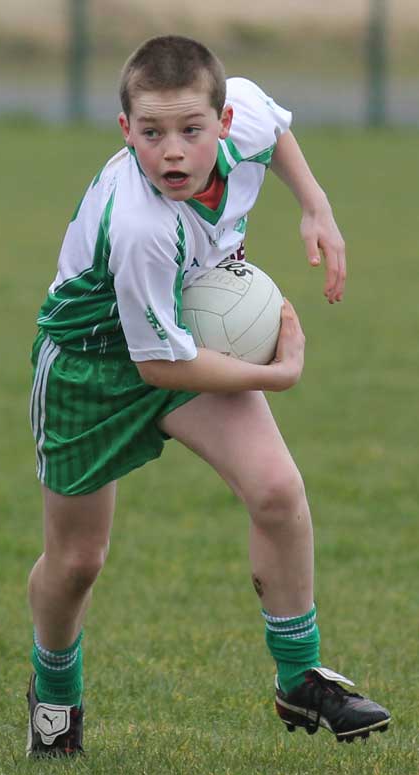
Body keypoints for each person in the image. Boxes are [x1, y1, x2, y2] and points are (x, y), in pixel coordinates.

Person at [26, 34, 390, 757]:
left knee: (278, 490)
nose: (173, 152)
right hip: (90, 368)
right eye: (152, 133)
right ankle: (54, 701)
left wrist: (315, 205)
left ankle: (300, 675)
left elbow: (277, 129)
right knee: (78, 560)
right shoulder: (139, 226)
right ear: (125, 131)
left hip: (182, 332)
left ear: (223, 124)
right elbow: (161, 367)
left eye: (191, 130)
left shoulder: (244, 114)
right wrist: (271, 375)